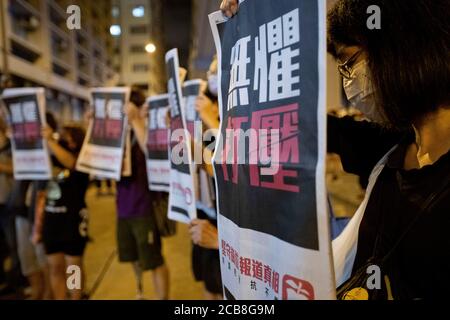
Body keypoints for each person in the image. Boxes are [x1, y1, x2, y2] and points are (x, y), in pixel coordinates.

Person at [221, 0, 450, 299]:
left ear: (401, 44)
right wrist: (252, 29)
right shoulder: (392, 147)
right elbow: (298, 121)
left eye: (349, 61)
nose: (347, 80)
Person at [118, 87, 170, 300]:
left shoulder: (147, 128)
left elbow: (152, 151)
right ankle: (140, 291)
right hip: (122, 208)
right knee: (133, 256)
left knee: (154, 259)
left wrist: (136, 121)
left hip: (145, 206)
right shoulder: (122, 133)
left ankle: (163, 298)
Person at [34, 124, 90, 300]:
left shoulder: (83, 159)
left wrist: (50, 141)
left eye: (69, 137)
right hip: (52, 221)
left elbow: (71, 163)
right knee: (55, 267)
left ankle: (75, 297)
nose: (65, 139)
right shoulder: (51, 157)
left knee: (73, 267)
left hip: (72, 221)